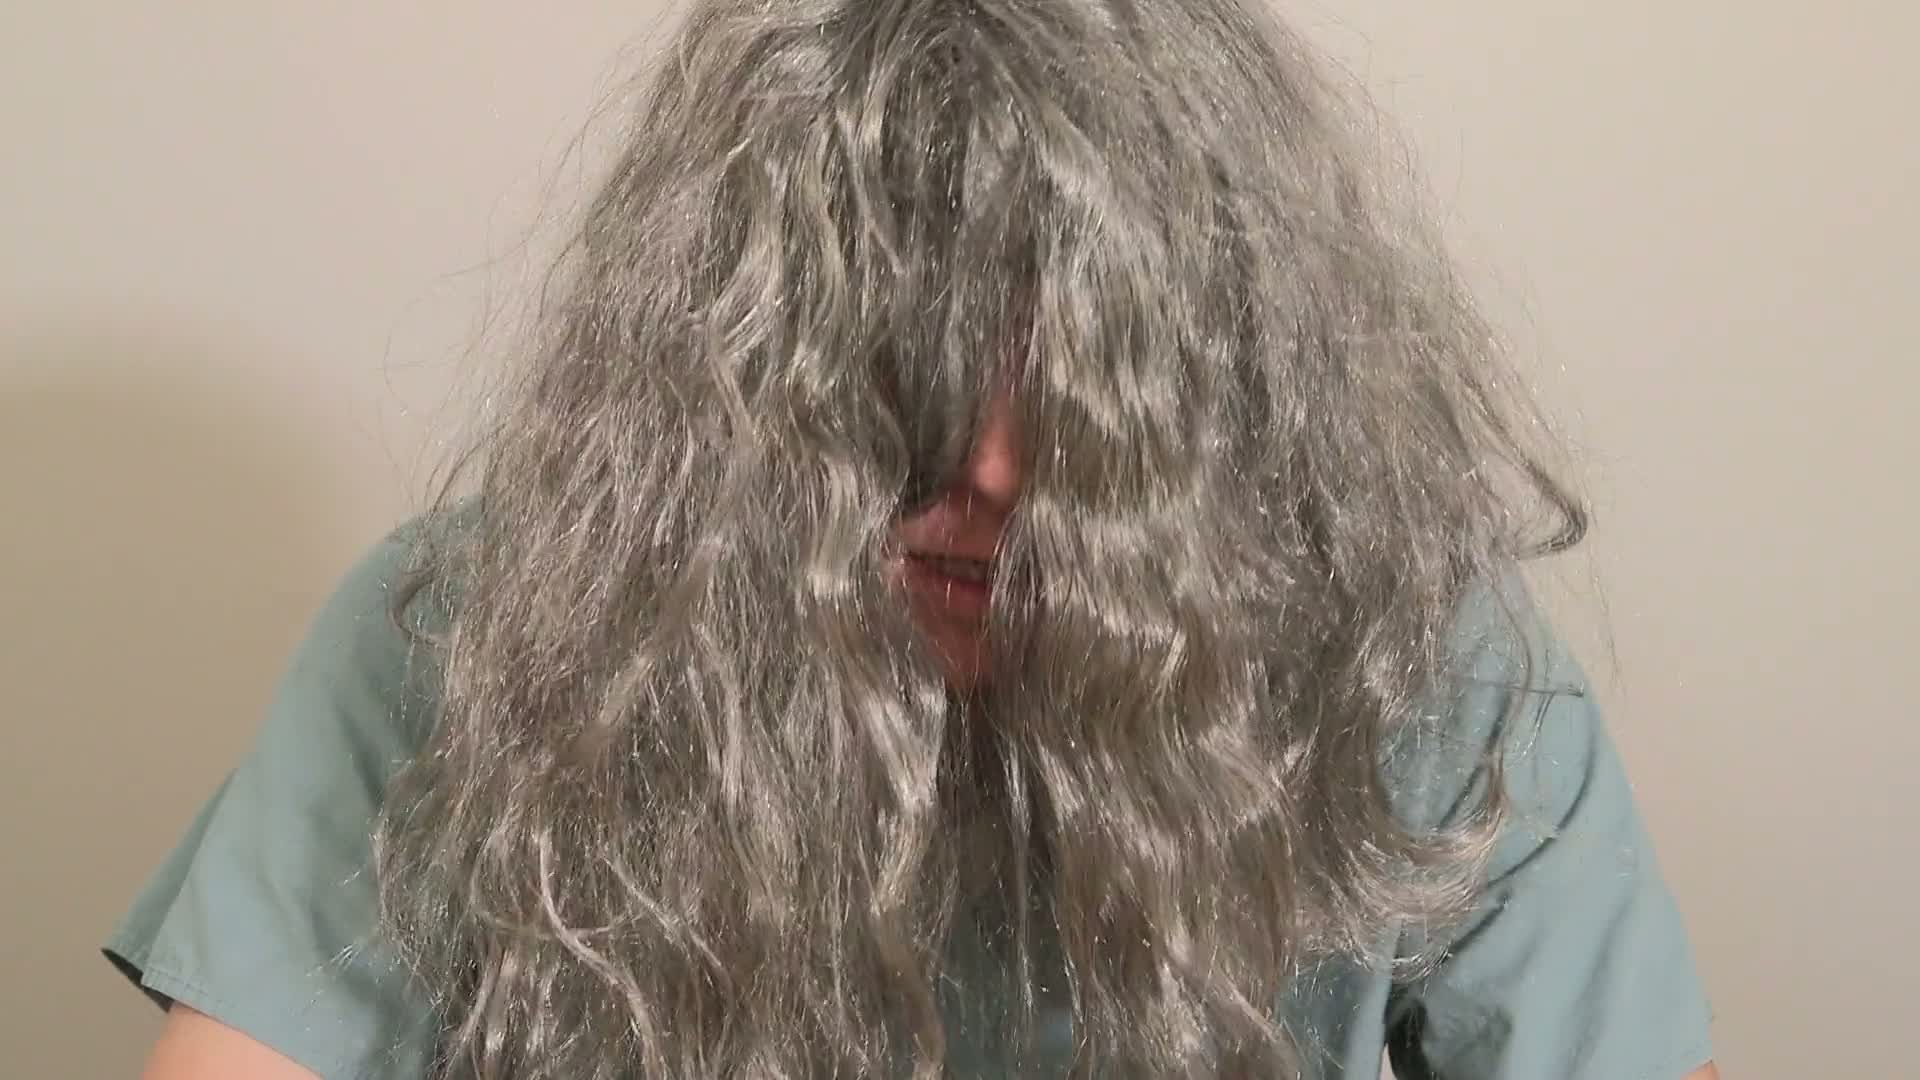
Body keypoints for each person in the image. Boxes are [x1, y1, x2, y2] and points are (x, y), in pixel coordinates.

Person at [106, 0, 1720, 1076]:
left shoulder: (1421, 668)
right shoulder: (474, 633)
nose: (996, 468)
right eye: (904, 365)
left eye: (1091, 383)